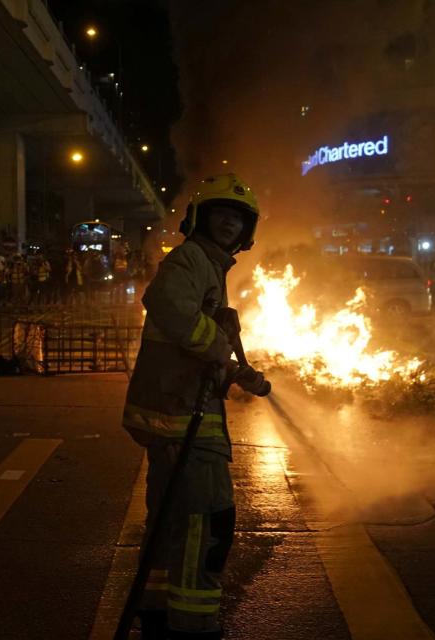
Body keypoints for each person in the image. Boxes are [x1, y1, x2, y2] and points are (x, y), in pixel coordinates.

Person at [123, 174, 269, 640]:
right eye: (220, 214)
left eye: (237, 218)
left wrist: (233, 372)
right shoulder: (190, 260)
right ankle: (192, 626)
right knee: (206, 528)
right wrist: (221, 351)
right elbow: (168, 307)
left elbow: (191, 346)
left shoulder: (210, 268)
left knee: (171, 526)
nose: (229, 224)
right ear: (199, 218)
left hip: (178, 412)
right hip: (182, 419)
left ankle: (158, 616)